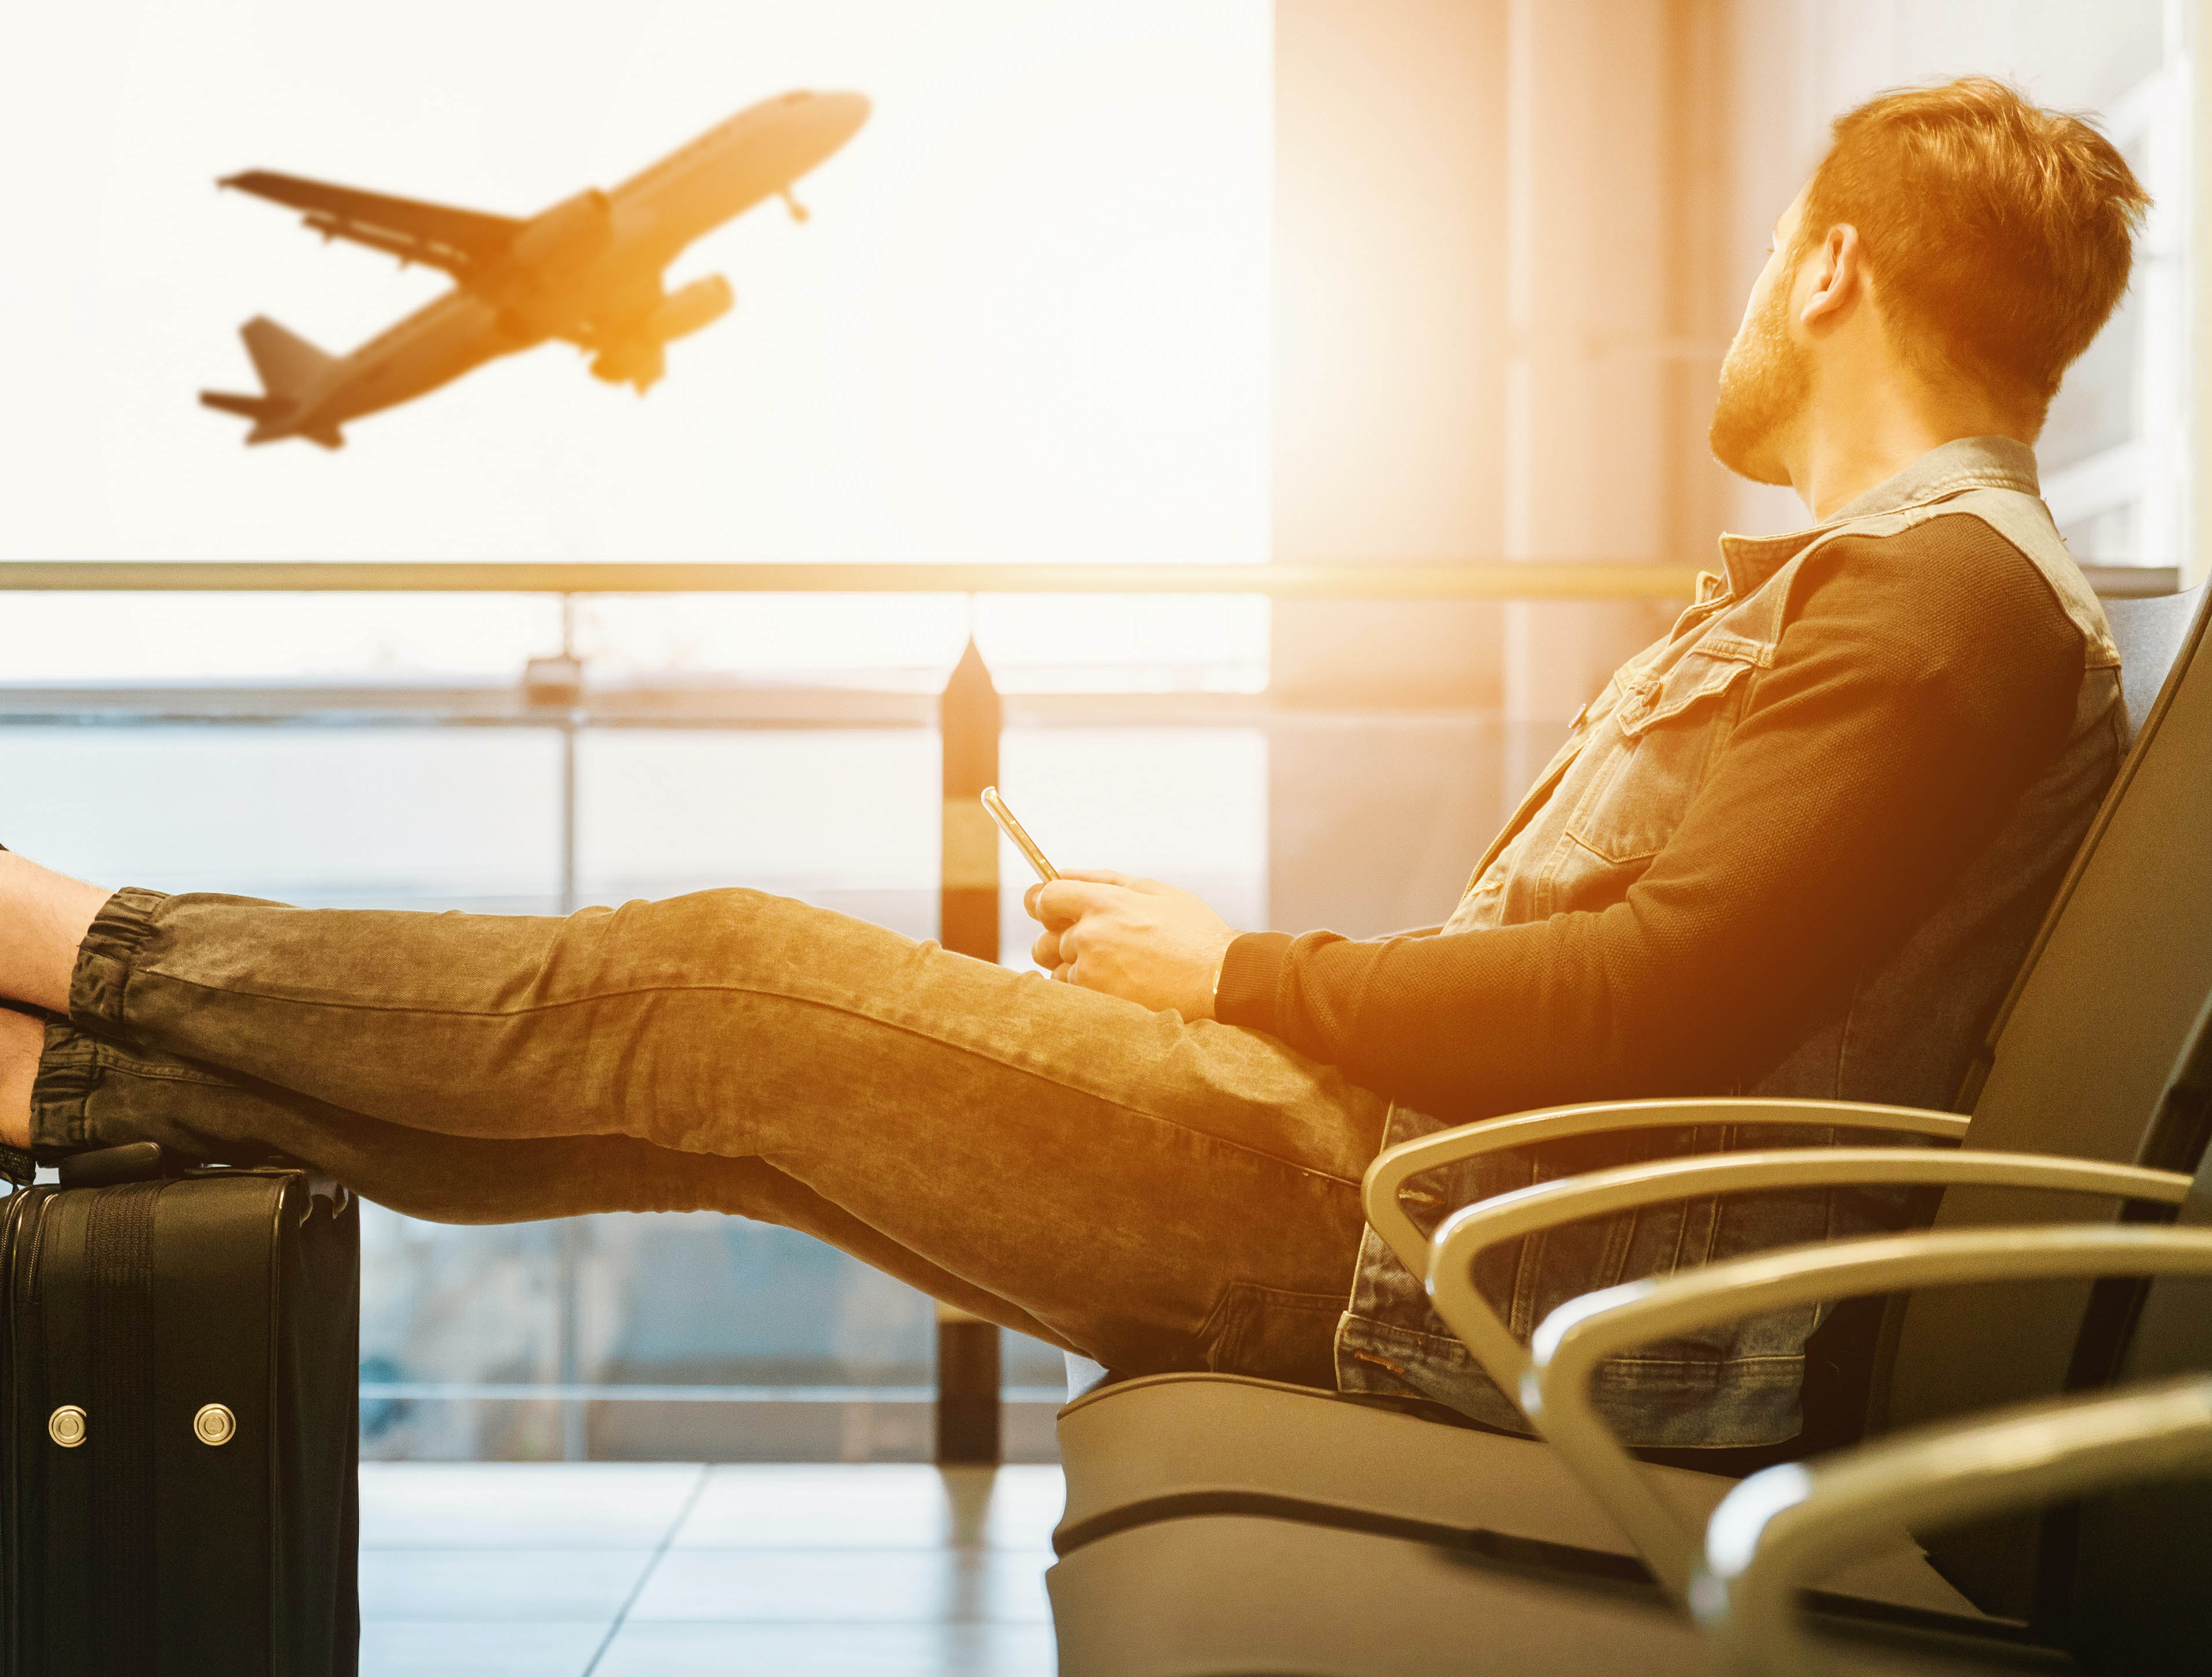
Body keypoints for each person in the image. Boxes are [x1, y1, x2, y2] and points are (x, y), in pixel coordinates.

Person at [0, 77, 2151, 1452]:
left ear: (1833, 266)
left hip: (1424, 1254)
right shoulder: (1926, 601)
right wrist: (1226, 978)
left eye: (1775, 260)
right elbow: (1665, 992)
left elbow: (1645, 1003)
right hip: (1423, 1209)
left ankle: (54, 935)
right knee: (709, 1110)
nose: (1748, 308)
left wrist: (1234, 977)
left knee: (704, 982)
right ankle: (44, 1077)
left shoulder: (1938, 605)